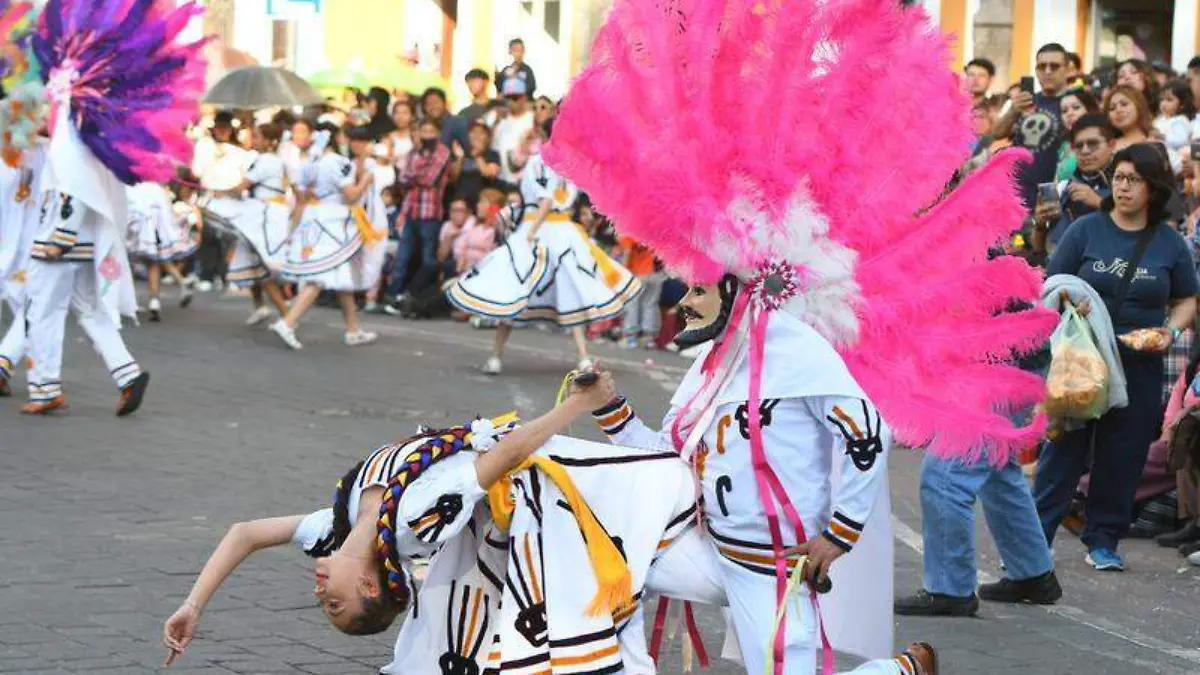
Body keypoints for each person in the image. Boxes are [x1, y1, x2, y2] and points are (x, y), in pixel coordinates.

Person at [546, 0, 1058, 671]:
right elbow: (665, 459)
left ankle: (899, 669)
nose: (686, 297)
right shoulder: (713, 365)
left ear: (743, 289)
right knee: (602, 550)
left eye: (701, 286)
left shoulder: (797, 350)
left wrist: (836, 538)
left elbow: (867, 431)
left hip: (772, 566)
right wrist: (607, 406)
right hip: (707, 549)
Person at [162, 374, 704, 673]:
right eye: (334, 603)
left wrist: (193, 605)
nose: (318, 590)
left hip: (519, 496)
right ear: (370, 584)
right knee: (661, 526)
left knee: (658, 567)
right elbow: (507, 455)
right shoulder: (414, 527)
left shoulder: (333, 527)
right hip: (545, 496)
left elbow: (245, 534)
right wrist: (580, 404)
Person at [18, 0, 205, 415]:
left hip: (60, 237)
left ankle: (45, 388)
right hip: (88, 237)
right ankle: (128, 375)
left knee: (42, 309)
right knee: (90, 310)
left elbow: (69, 180)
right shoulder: (95, 127)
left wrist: (58, 236)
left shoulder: (71, 122)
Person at [1037, 143, 1200, 571]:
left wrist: (1170, 330)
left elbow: (1186, 299)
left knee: (1122, 456)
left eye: (1135, 180)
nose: (1124, 188)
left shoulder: (1169, 243)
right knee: (1063, 451)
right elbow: (1052, 285)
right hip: (1081, 358)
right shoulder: (1086, 230)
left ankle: (1104, 539)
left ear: (1154, 187)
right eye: (1119, 178)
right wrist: (1070, 297)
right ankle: (1034, 545)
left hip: (1138, 363)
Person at [448, 119, 642, 375]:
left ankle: (497, 356)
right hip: (561, 232)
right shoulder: (565, 164)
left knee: (514, 285)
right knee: (568, 286)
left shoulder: (544, 162)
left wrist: (530, 230)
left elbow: (546, 200)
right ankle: (582, 357)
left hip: (539, 229)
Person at [269, 122, 382, 349]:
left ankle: (353, 330)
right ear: (338, 137)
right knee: (321, 276)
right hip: (334, 223)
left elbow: (302, 194)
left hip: (314, 218)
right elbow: (351, 196)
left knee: (341, 277)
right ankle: (289, 322)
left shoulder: (311, 162)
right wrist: (366, 180)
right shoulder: (338, 162)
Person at [199, 123, 293, 326]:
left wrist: (220, 191)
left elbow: (243, 185)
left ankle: (287, 315)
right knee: (250, 260)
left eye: (258, 137)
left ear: (270, 141)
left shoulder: (267, 160)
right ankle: (260, 306)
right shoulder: (264, 159)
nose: (254, 140)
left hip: (266, 216)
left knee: (261, 265)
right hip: (259, 213)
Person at [384, 117, 452, 313]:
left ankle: (417, 298)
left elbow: (430, 179)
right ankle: (394, 296)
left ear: (437, 133)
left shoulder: (442, 152)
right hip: (411, 210)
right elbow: (403, 178)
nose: (427, 135)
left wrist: (414, 173)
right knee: (402, 258)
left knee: (428, 259)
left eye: (431, 131)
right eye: (424, 131)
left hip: (430, 213)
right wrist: (416, 174)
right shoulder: (413, 152)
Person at [994, 43, 1071, 209]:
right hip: (1016, 191)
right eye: (1042, 66)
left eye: (1054, 66)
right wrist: (1013, 110)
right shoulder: (1025, 101)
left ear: (1067, 69)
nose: (1047, 71)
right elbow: (995, 134)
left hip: (1052, 192)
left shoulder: (1074, 103)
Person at [1033, 114, 1115, 256]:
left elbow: (1141, 228)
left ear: (1111, 145)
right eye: (1078, 146)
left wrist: (1100, 203)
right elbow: (1039, 249)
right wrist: (1040, 224)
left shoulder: (1127, 182)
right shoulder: (1062, 187)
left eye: (1093, 144)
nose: (1085, 151)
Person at [124, 182, 197, 322]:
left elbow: (128, 212)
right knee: (155, 264)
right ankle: (154, 301)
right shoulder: (158, 189)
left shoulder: (133, 188)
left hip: (137, 235)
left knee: (130, 264)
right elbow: (168, 214)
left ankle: (129, 300)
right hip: (158, 234)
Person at [491, 77, 536, 187]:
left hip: (527, 181)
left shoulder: (533, 118)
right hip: (502, 181)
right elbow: (492, 149)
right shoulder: (499, 119)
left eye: (515, 97)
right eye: (508, 98)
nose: (511, 102)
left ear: (524, 97)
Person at [450, 120, 501, 207]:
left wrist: (477, 155)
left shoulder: (492, 154)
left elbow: (488, 173)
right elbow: (452, 177)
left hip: (482, 204)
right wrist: (460, 159)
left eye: (481, 133)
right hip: (460, 203)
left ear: (488, 137)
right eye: (473, 132)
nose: (477, 135)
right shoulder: (460, 153)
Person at [1055, 88, 1101, 181]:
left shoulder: (1102, 140)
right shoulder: (1065, 144)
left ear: (1089, 109)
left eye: (1076, 108)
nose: (1070, 114)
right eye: (1064, 111)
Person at [1156, 78, 1197, 173]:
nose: (1163, 103)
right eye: (1161, 99)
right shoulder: (1160, 119)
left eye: (1169, 100)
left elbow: (1181, 140)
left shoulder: (1180, 121)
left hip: (1175, 161)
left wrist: (1163, 137)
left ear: (1182, 104)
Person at [419, 87, 469, 155]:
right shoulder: (423, 126)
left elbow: (468, 148)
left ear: (445, 103)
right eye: (428, 104)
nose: (433, 106)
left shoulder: (457, 122)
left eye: (436, 102)